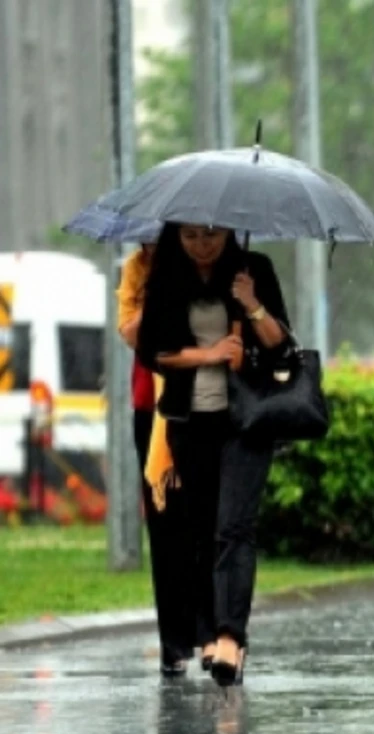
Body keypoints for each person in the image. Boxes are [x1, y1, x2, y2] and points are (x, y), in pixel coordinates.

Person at [138, 223, 290, 687]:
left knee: (235, 528)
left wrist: (251, 303)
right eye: (189, 236)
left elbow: (280, 343)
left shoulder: (254, 269)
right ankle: (206, 632)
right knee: (202, 528)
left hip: (245, 421)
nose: (201, 245)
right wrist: (205, 356)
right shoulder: (167, 278)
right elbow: (152, 352)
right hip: (190, 422)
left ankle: (230, 638)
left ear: (228, 232)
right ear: (175, 238)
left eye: (211, 235)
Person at [117, 243, 200, 677]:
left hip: (204, 403)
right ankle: (174, 642)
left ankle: (212, 630)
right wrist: (159, 294)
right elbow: (130, 333)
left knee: (201, 519)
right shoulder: (137, 268)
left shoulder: (208, 263)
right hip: (151, 408)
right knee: (163, 521)